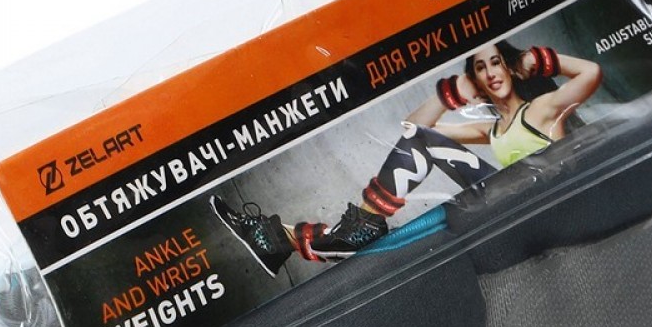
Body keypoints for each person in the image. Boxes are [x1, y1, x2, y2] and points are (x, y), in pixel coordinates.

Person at [211, 39, 602, 276]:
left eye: (496, 62)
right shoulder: (494, 129)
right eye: (480, 68)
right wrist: (452, 91)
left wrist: (535, 60)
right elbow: (413, 129)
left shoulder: (546, 107)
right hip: (512, 207)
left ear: (511, 66)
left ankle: (353, 231)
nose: (489, 73)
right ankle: (278, 240)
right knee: (422, 145)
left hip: (545, 204)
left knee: (421, 155)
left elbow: (590, 72)